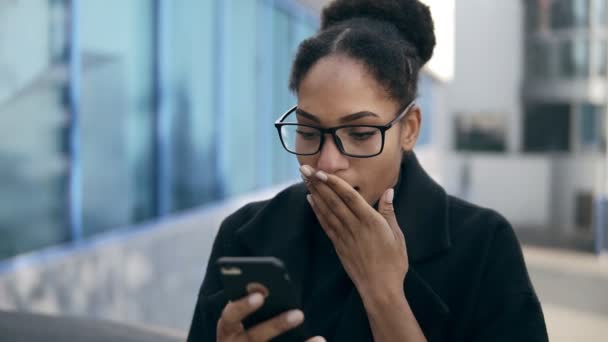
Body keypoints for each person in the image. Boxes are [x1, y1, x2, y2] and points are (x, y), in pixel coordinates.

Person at [187, 0, 549, 341]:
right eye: (309, 132)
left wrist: (383, 294)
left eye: (360, 134)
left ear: (409, 129)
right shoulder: (246, 234)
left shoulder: (483, 245)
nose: (327, 163)